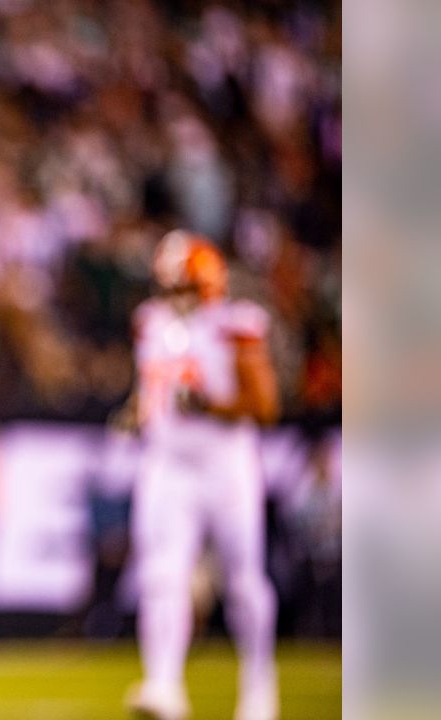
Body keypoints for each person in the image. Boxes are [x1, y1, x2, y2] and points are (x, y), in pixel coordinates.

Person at [124, 231, 281, 720]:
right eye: (170, 286)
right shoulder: (150, 323)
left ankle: (259, 686)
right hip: (168, 463)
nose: (175, 297)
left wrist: (212, 404)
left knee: (242, 580)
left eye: (184, 285)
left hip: (225, 464)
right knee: (160, 574)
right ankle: (163, 685)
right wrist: (136, 411)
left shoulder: (236, 325)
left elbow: (265, 407)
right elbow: (151, 390)